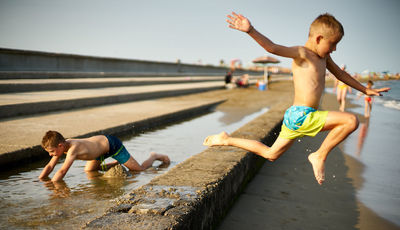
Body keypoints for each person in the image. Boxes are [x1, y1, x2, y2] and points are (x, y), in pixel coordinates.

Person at [203, 12, 390, 185]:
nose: (334, 49)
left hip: (297, 117)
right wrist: (250, 30)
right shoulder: (302, 53)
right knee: (350, 120)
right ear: (318, 38)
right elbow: (273, 48)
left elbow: (341, 75)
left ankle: (226, 139)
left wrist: (365, 90)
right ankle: (319, 156)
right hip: (301, 116)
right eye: (332, 44)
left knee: (271, 153)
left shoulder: (324, 59)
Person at [39, 130, 170, 182]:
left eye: (51, 152)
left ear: (61, 145)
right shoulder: (61, 147)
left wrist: (53, 184)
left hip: (111, 145)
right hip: (98, 151)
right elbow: (50, 166)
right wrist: (41, 179)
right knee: (89, 171)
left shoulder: (73, 149)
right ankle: (117, 164)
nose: (51, 155)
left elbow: (62, 171)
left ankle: (154, 156)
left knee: (139, 171)